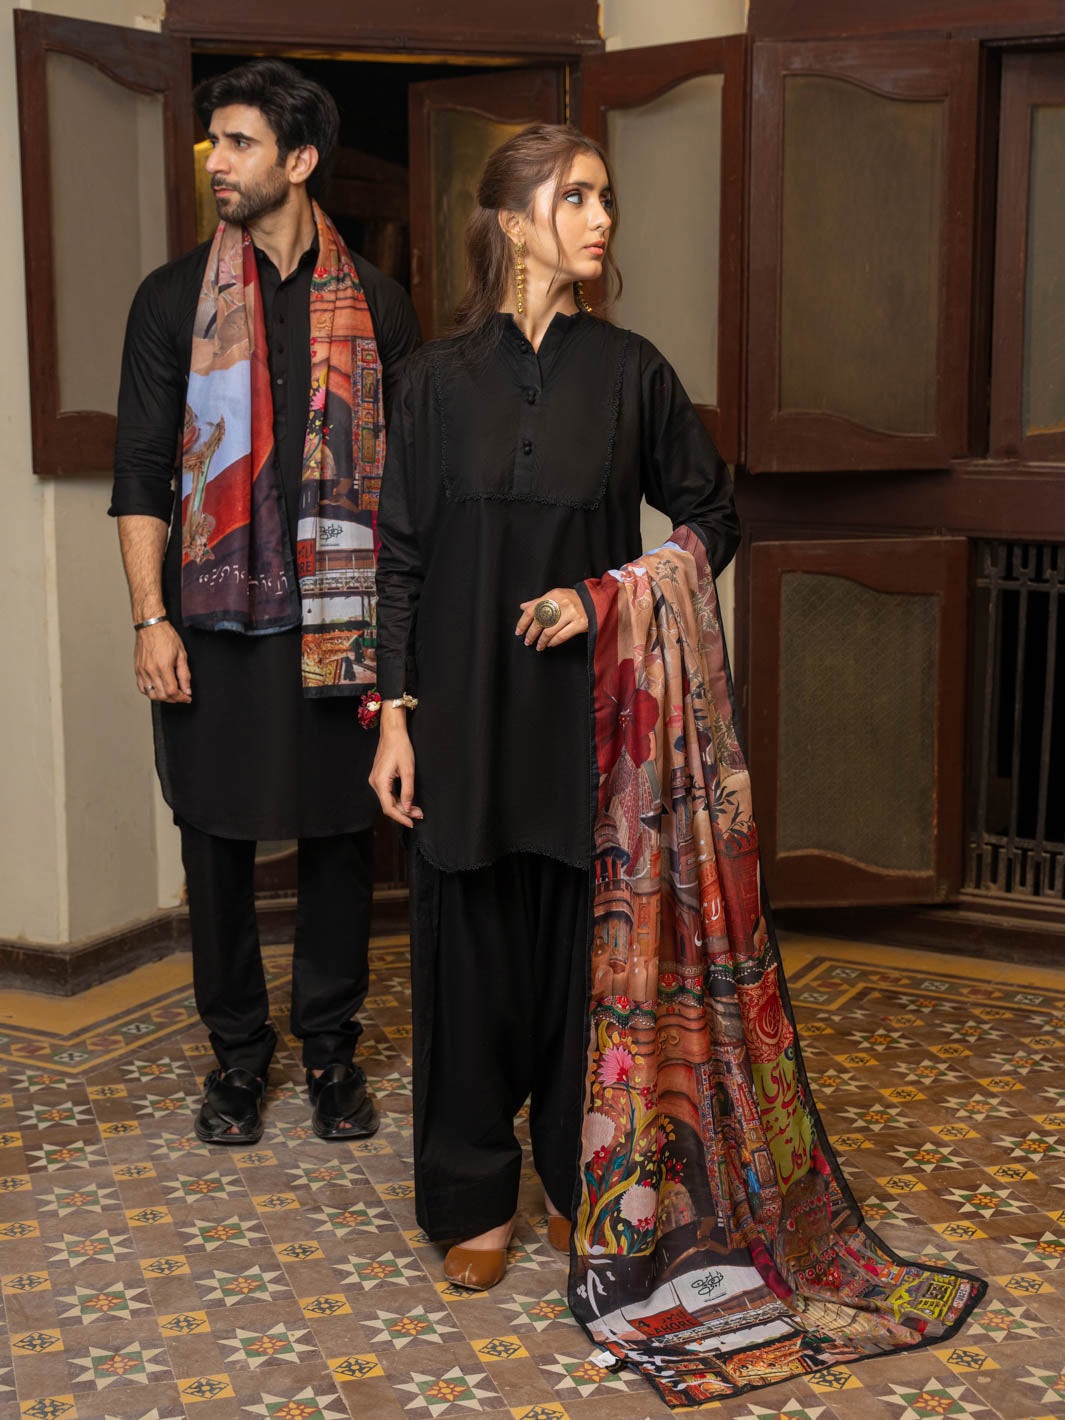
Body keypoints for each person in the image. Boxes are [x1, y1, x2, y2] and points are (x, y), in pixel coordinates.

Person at [370, 124, 739, 1288]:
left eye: (605, 198)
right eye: (575, 197)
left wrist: (602, 595)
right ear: (511, 218)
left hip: (590, 723)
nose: (600, 218)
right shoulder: (432, 382)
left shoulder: (632, 374)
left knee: (589, 965)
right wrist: (393, 717)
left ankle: (588, 1181)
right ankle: (472, 1193)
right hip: (462, 720)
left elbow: (712, 518)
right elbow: (398, 558)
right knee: (468, 958)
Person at [111, 60, 421, 1146]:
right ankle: (237, 1057)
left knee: (341, 835)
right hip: (211, 622)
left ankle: (331, 1049)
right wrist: (150, 617)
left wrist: (403, 639)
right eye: (215, 142)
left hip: (342, 619)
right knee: (215, 839)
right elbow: (141, 469)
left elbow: (409, 486)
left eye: (240, 143)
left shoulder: (378, 303)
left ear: (299, 160)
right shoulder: (169, 300)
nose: (218, 162)